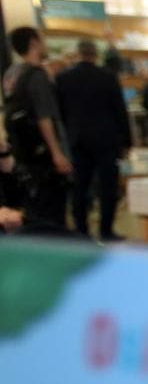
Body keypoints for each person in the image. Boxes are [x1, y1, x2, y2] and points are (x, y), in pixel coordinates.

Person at [56, 39, 131, 240]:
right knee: (108, 187)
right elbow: (120, 111)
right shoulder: (107, 77)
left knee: (80, 187)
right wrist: (127, 141)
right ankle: (106, 230)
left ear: (77, 54)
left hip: (77, 140)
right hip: (106, 139)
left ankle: (82, 230)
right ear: (95, 55)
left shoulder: (63, 79)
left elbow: (60, 113)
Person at [3, 27, 72, 233]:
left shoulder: (12, 74)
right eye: (42, 40)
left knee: (35, 211)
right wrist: (57, 153)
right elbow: (45, 118)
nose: (45, 45)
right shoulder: (37, 76)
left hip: (24, 155)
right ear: (33, 43)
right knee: (52, 213)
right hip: (43, 158)